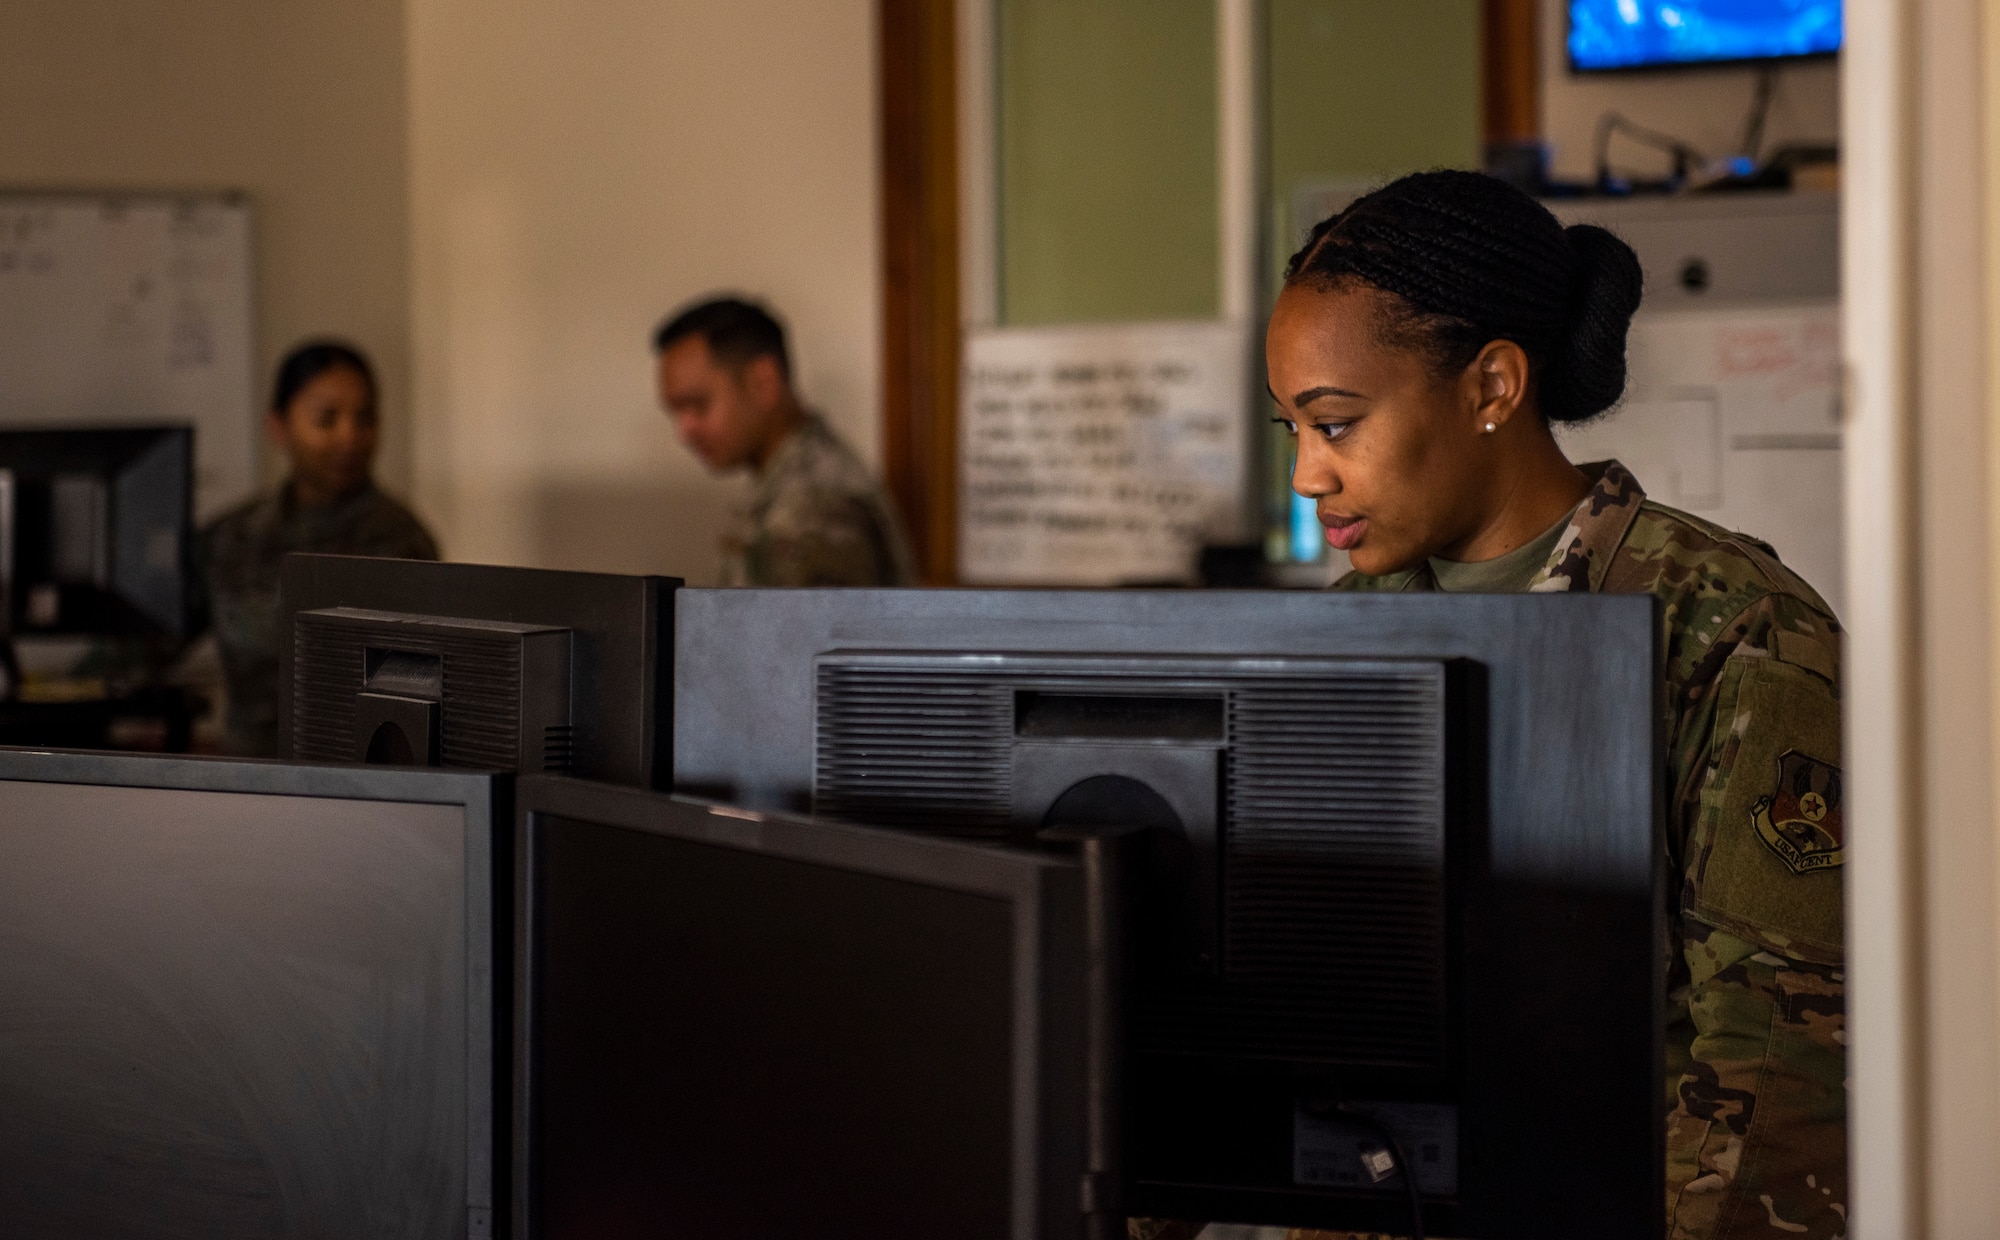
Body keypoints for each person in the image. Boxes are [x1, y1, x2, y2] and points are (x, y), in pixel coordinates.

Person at [1138, 171, 1845, 1240]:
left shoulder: (1735, 631)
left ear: (1491, 388)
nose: (1304, 476)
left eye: (1334, 425)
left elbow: (1772, 1076)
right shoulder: (1344, 635)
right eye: (1290, 428)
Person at [197, 340, 438, 757]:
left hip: (354, 774)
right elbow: (147, 643)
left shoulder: (400, 539)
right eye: (326, 418)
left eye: (365, 418)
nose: (350, 437)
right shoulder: (233, 535)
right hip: (245, 771)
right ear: (279, 426)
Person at [654, 296, 914, 586]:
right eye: (676, 412)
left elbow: (816, 630)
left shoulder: (816, 508)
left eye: (698, 405)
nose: (684, 432)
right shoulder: (791, 483)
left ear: (763, 382)